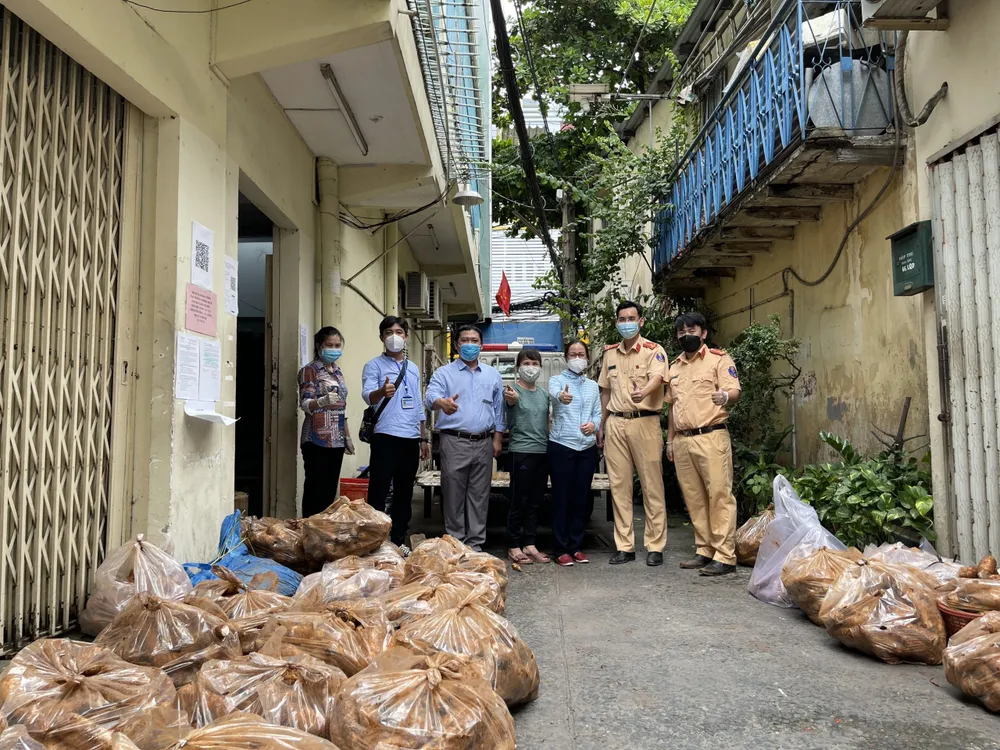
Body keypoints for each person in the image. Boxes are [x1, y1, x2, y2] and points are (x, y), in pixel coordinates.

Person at [666, 311, 742, 576]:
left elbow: (734, 390)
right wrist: (670, 440)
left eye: (691, 331)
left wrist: (725, 396)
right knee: (694, 497)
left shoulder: (718, 359)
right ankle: (704, 550)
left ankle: (725, 556)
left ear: (703, 333)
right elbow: (672, 407)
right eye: (681, 332)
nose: (687, 336)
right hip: (683, 440)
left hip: (712, 436)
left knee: (719, 495)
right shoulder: (674, 367)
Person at [598, 300, 669, 566]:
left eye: (631, 318)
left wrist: (645, 391)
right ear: (617, 323)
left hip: (645, 422)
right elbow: (605, 390)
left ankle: (655, 545)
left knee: (652, 485)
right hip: (616, 423)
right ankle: (624, 546)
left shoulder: (654, 350)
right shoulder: (609, 354)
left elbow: (658, 378)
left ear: (641, 322)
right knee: (619, 487)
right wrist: (602, 425)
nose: (626, 323)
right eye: (621, 319)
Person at [425, 324, 505, 551]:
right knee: (453, 495)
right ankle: (456, 543)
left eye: (474, 340)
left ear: (481, 345)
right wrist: (442, 403)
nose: (469, 344)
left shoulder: (492, 375)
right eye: (464, 340)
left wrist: (497, 439)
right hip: (454, 440)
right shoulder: (444, 373)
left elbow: (499, 410)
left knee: (480, 495)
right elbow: (430, 397)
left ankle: (476, 544)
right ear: (457, 344)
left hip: (484, 442)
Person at [362, 316, 430, 551]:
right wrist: (382, 391)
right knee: (378, 490)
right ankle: (375, 542)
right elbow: (367, 396)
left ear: (406, 336)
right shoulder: (374, 366)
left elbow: (419, 403)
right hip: (385, 436)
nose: (395, 336)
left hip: (410, 438)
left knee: (404, 492)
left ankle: (399, 540)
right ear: (381, 337)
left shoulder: (412, 368)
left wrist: (423, 437)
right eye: (389, 332)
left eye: (399, 332)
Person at [548, 340, 602, 567]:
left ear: (587, 357)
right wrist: (562, 397)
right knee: (562, 498)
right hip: (562, 446)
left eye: (581, 354)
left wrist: (594, 425)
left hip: (586, 448)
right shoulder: (557, 381)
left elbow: (598, 412)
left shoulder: (592, 385)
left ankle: (576, 546)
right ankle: (561, 549)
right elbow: (554, 394)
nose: (577, 357)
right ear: (566, 357)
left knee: (582, 499)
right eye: (573, 354)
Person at [298, 326, 354, 517]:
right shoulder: (310, 370)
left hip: (336, 439)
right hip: (316, 439)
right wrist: (321, 402)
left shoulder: (338, 372)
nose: (334, 348)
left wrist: (347, 436)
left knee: (329, 492)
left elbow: (341, 407)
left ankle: (323, 534)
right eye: (329, 345)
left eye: (337, 345)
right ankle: (310, 530)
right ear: (319, 346)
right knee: (316, 491)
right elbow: (304, 404)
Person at [502, 348, 551, 565]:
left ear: (540, 367)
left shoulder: (544, 394)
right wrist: (511, 398)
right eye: (526, 363)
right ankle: (513, 545)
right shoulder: (512, 391)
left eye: (534, 363)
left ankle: (530, 544)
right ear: (518, 368)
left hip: (542, 451)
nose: (530, 367)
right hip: (521, 451)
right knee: (518, 500)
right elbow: (510, 404)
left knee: (535, 500)